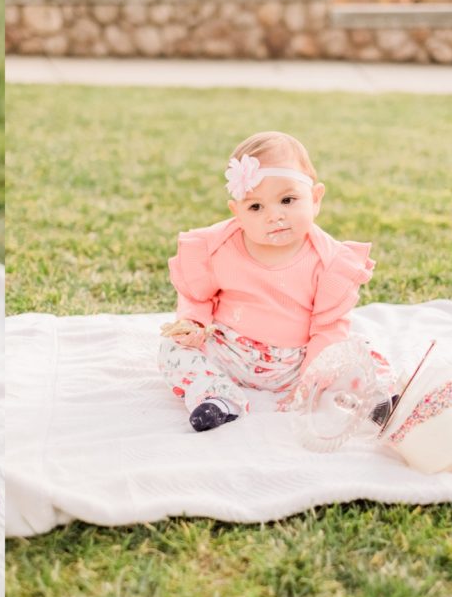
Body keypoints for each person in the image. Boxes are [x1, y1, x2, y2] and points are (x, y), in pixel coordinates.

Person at [160, 131, 398, 432]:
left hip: (300, 359)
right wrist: (192, 324)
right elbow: (197, 296)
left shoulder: (330, 260)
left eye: (287, 200)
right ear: (238, 212)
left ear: (315, 199)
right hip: (231, 351)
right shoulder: (217, 248)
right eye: (255, 207)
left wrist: (310, 382)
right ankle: (217, 396)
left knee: (359, 349)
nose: (274, 216)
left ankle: (379, 399)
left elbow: (328, 327)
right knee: (172, 349)